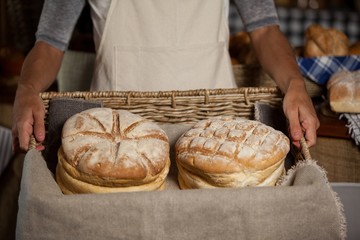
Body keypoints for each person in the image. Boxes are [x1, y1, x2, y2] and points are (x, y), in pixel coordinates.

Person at [12, 0, 319, 153]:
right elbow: (50, 44)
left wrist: (294, 83)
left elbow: (265, 30)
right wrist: (27, 88)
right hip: (116, 141)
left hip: (217, 138)